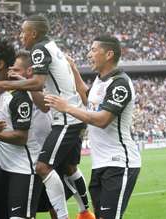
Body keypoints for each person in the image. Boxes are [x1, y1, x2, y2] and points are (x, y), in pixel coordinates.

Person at [0, 15, 94, 219]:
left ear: (34, 33)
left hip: (66, 118)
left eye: (23, 32)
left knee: (43, 167)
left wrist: (5, 84)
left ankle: (68, 216)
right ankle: (84, 211)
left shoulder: (39, 49)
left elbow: (37, 82)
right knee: (68, 167)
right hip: (70, 114)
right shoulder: (54, 47)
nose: (21, 36)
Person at [44, 36, 141, 219]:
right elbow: (88, 99)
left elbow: (102, 120)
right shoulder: (100, 80)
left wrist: (67, 107)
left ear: (109, 54)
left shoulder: (120, 84)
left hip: (119, 163)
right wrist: (72, 69)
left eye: (94, 50)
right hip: (100, 164)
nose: (89, 54)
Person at [0, 38, 43, 219]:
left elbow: (21, 137)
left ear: (0, 64)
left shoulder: (18, 97)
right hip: (2, 169)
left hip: (24, 169)